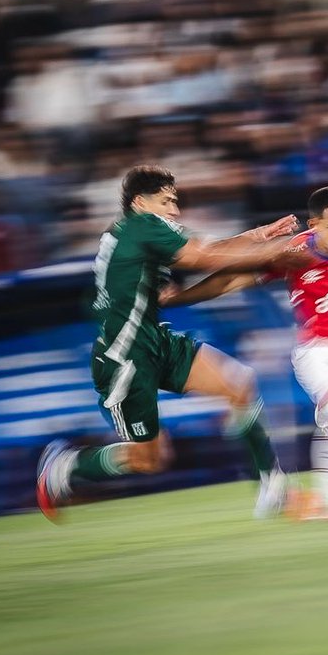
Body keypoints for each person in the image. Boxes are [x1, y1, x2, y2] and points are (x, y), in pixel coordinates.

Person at [36, 164, 302, 522]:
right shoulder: (142, 227)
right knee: (150, 459)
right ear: (140, 202)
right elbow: (202, 258)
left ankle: (271, 486)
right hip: (125, 357)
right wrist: (278, 251)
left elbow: (203, 250)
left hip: (154, 339)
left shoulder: (137, 231)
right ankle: (66, 466)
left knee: (238, 386)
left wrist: (257, 236)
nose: (174, 209)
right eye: (166, 201)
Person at [161, 185, 328, 519]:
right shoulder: (294, 253)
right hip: (322, 350)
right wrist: (180, 297)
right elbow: (231, 281)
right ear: (314, 224)